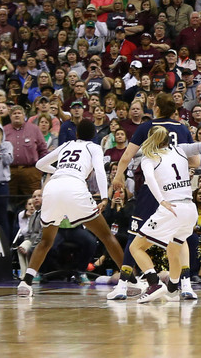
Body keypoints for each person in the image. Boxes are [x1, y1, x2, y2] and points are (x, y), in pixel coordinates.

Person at [16, 119, 126, 297]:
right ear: (94, 136)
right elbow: (99, 169)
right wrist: (105, 197)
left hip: (53, 187)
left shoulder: (67, 144)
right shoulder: (94, 147)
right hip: (74, 187)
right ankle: (130, 279)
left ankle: (26, 282)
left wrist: (59, 170)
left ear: (76, 134)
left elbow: (39, 165)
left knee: (45, 241)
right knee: (106, 235)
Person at [107, 93, 192, 300]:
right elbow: (196, 161)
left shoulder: (147, 127)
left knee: (135, 236)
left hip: (152, 188)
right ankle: (186, 284)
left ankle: (123, 285)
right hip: (176, 189)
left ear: (155, 108)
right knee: (180, 237)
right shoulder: (183, 129)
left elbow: (126, 156)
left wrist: (118, 177)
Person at [127, 125, 201, 302]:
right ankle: (173, 290)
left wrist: (160, 200)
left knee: (136, 247)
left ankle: (154, 283)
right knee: (174, 249)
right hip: (190, 208)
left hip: (172, 208)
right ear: (168, 139)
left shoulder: (149, 158)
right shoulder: (180, 150)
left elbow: (149, 179)